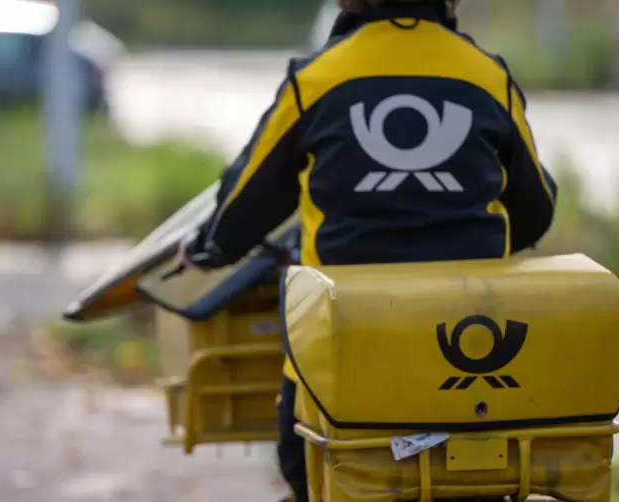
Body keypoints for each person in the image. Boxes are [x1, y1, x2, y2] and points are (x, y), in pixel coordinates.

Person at [178, 0, 558, 500]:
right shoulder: (486, 76)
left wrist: (209, 247)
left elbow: (246, 201)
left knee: (302, 461)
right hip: (471, 349)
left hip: (344, 343)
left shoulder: (317, 78)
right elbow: (537, 208)